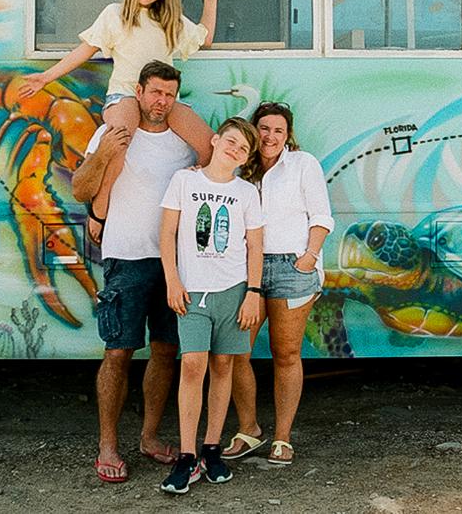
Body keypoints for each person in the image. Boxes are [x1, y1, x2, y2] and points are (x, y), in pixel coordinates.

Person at [20, 0, 223, 246]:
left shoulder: (169, 21)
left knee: (209, 143)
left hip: (161, 98)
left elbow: (205, 39)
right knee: (119, 141)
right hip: (126, 94)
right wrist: (46, 77)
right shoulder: (115, 14)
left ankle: (190, 206)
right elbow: (84, 50)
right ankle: (100, 208)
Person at [72, 60, 197, 483]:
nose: (161, 101)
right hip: (125, 257)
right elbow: (80, 189)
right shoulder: (114, 135)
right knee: (118, 352)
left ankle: (148, 436)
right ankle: (108, 444)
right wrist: (103, 155)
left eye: (169, 94)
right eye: (155, 92)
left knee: (165, 350)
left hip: (173, 263)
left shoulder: (183, 142)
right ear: (139, 92)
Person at [221, 102, 333, 466]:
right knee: (236, 352)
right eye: (264, 128)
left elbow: (321, 216)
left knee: (286, 355)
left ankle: (283, 438)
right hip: (247, 271)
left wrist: (308, 258)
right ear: (255, 131)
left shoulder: (303, 165)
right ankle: (249, 429)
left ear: (288, 135)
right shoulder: (240, 170)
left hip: (291, 268)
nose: (270, 136)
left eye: (278, 130)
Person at [157, 117, 265, 494]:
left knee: (224, 365)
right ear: (216, 141)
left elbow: (255, 245)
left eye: (243, 148)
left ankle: (211, 448)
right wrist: (172, 279)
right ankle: (187, 457)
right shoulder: (185, 182)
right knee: (192, 364)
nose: (234, 150)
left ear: (245, 158)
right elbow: (167, 232)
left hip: (234, 291)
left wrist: (254, 291)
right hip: (191, 292)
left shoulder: (247, 192)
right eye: (231, 141)